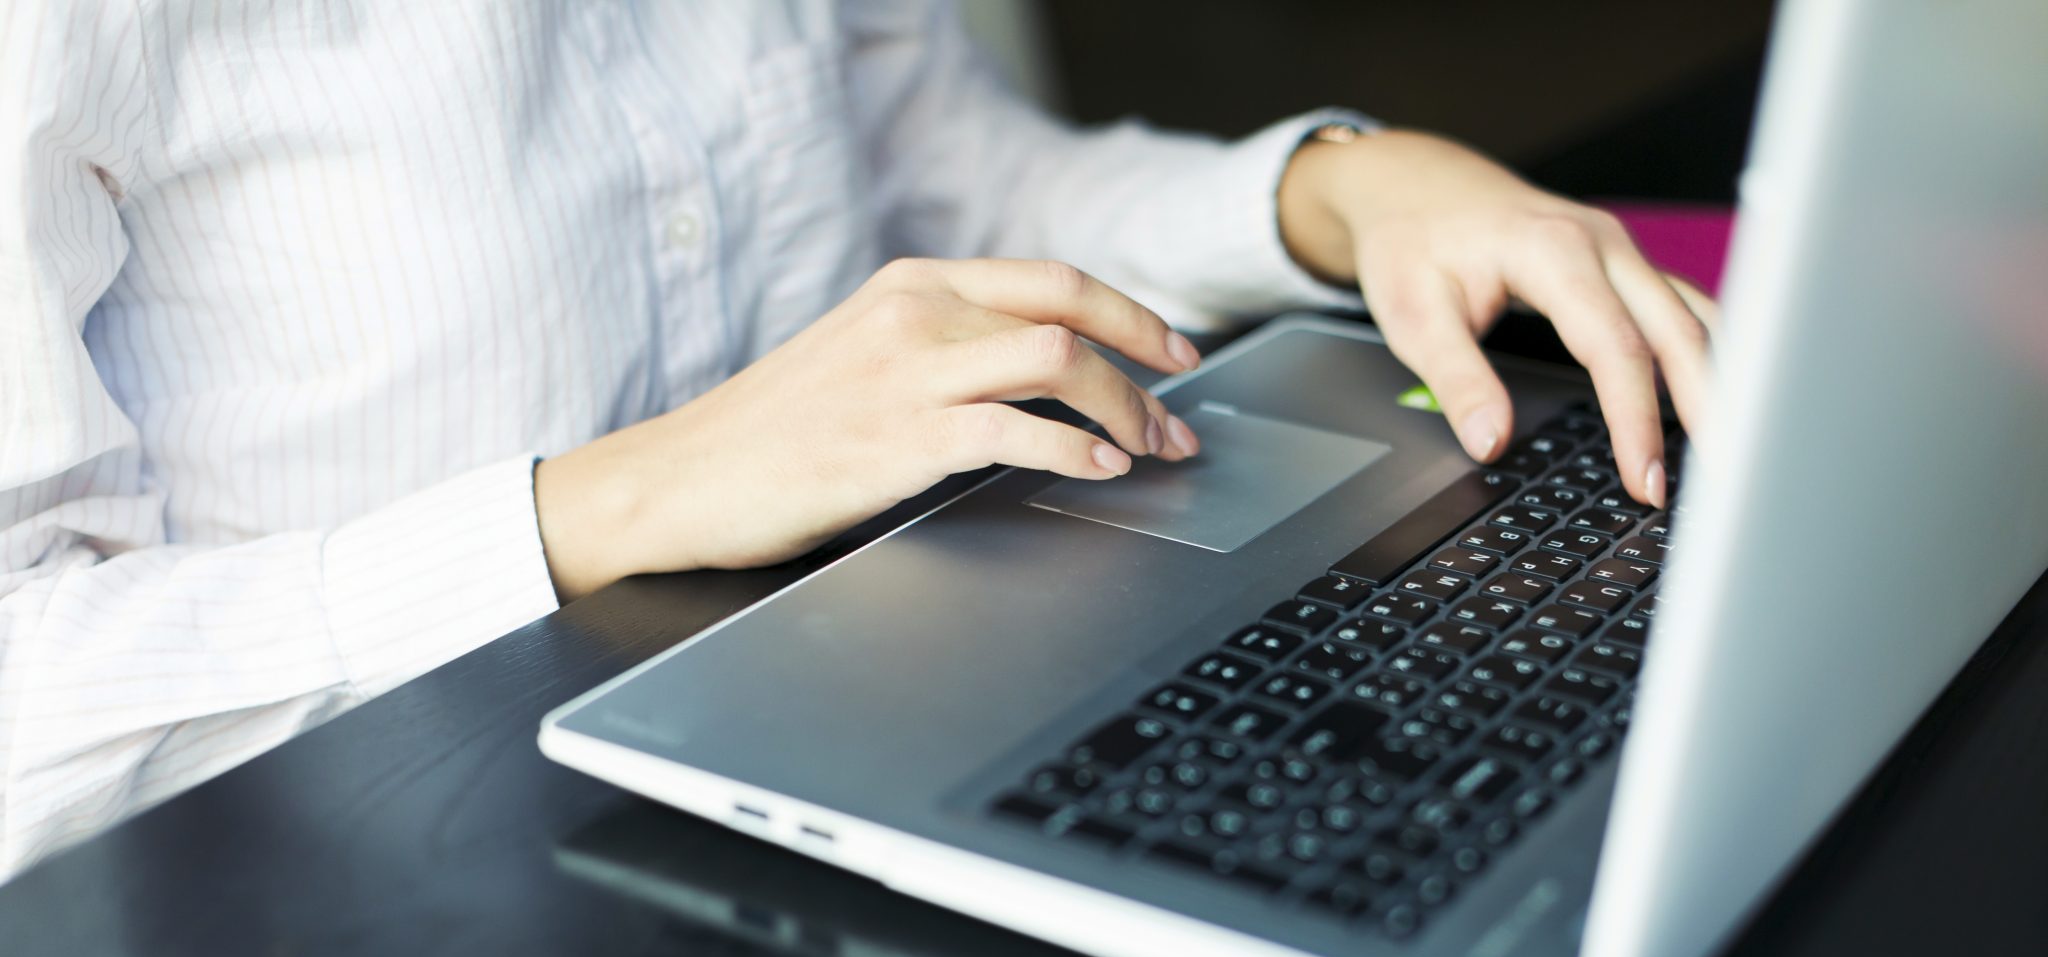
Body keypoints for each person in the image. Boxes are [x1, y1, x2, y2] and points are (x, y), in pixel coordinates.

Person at [0, 0, 1713, 878]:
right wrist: (624, 497)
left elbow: (943, 182)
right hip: (358, 915)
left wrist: (1332, 185)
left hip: (888, 710)